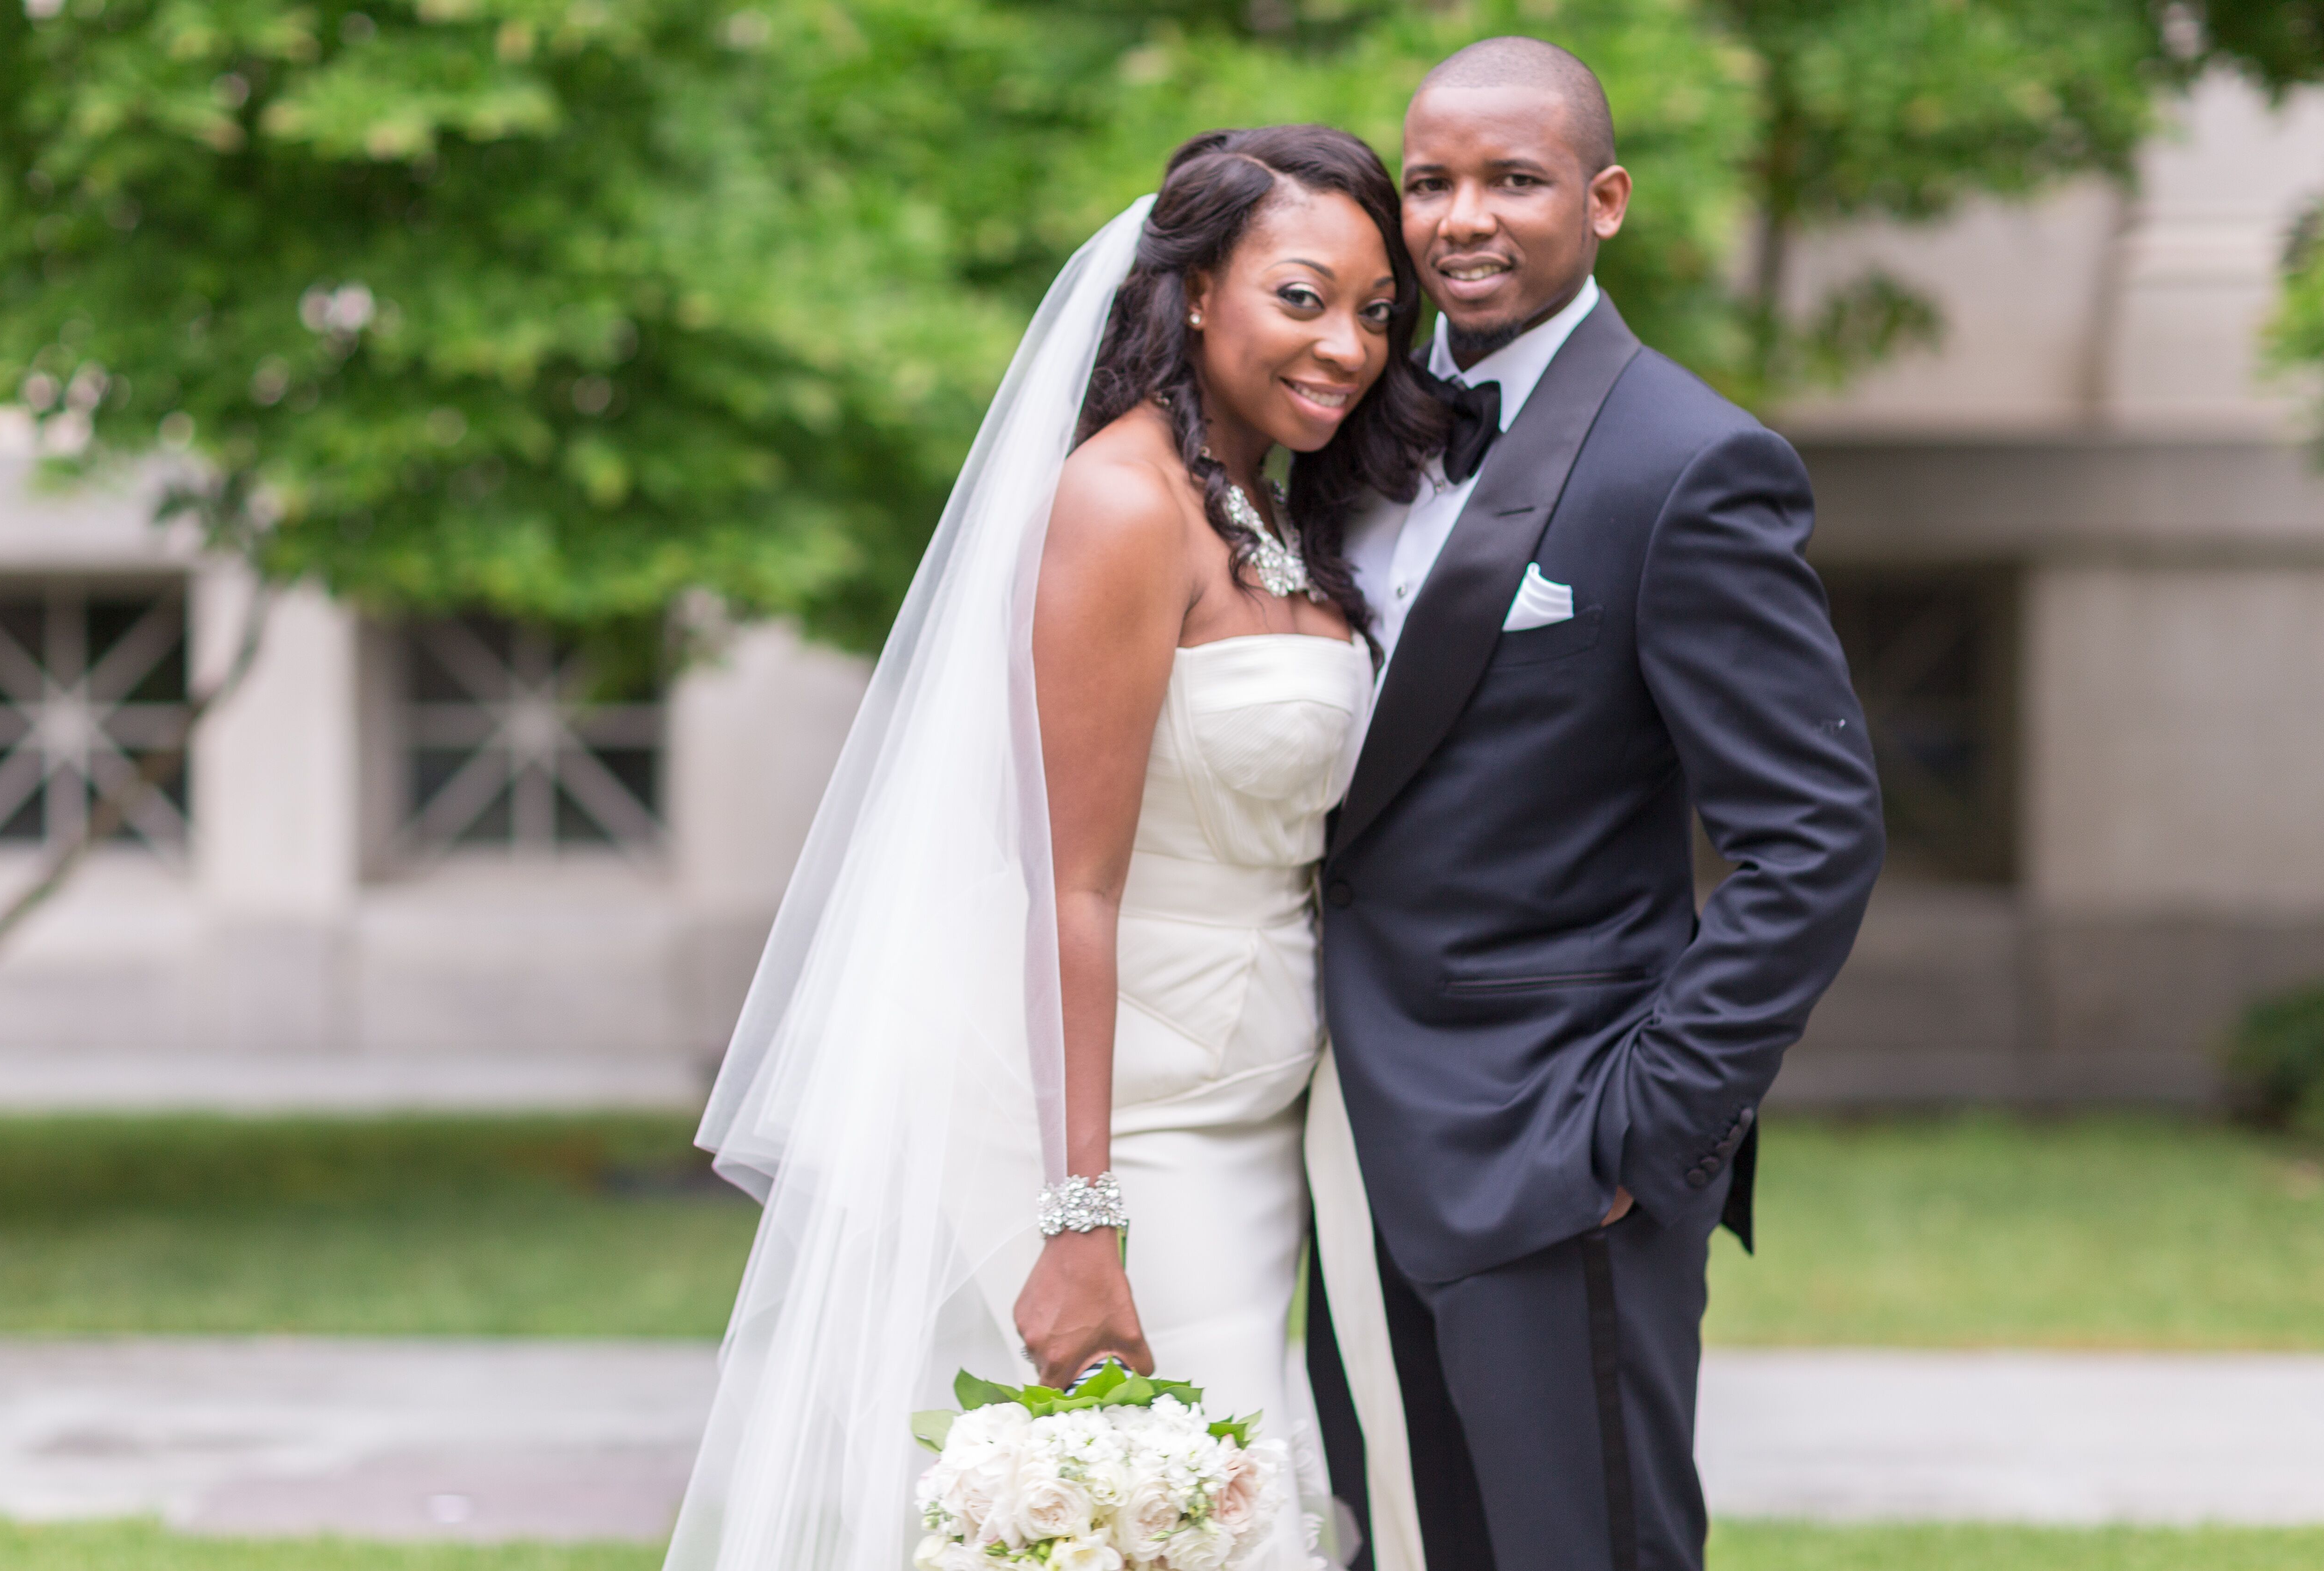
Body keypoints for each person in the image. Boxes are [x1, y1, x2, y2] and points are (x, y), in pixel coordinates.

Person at [665, 125, 1442, 1571]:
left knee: (1237, 1500)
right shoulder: (1121, 500)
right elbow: (1066, 882)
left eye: (1377, 310)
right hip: (1130, 1120)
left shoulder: (1270, 505)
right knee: (1208, 1517)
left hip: (1265, 1096)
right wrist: (1079, 1216)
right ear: (1197, 288)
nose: (1347, 343)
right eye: (1303, 297)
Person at [1304, 37, 1886, 1571]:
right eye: (1430, 183)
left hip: (1557, 1152)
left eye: (1514, 179)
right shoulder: (1347, 432)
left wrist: (1649, 1129)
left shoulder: (1690, 464)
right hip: (1328, 1135)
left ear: (1606, 200)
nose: (1462, 218)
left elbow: (1815, 836)